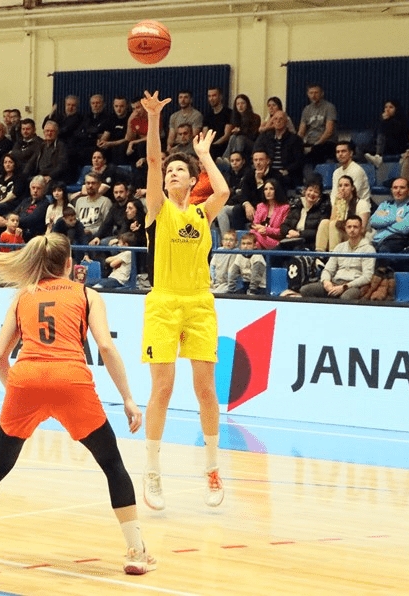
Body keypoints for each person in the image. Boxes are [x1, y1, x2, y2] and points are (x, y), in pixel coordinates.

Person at [0, 232, 153, 575]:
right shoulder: (87, 294)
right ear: (69, 264)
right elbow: (106, 347)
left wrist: (18, 392)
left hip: (26, 378)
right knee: (112, 465)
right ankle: (136, 552)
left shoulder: (23, 296)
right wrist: (128, 398)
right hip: (70, 380)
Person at [140, 91, 230, 511]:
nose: (172, 173)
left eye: (181, 170)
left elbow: (223, 191)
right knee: (162, 388)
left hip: (199, 303)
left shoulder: (201, 213)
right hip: (163, 302)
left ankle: (212, 467)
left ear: (193, 181)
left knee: (206, 390)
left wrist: (204, 155)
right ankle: (152, 470)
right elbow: (152, 161)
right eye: (170, 170)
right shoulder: (158, 209)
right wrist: (153, 118)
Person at [298, 215, 374, 300]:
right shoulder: (339, 247)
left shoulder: (368, 249)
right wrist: (326, 282)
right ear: (345, 228)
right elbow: (328, 270)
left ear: (361, 229)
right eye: (349, 227)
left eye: (355, 227)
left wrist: (345, 286)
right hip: (335, 282)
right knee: (305, 290)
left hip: (353, 286)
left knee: (346, 297)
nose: (352, 229)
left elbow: (367, 277)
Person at [369, 177, 409, 258]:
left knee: (384, 250)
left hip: (398, 240)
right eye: (395, 188)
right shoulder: (385, 204)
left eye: (402, 188)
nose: (398, 191)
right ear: (391, 190)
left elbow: (405, 228)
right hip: (377, 240)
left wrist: (384, 222)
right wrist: (396, 218)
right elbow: (373, 221)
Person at [277, 178, 330, 252]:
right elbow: (284, 226)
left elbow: (318, 231)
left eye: (316, 192)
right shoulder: (296, 206)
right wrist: (289, 231)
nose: (312, 193)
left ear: (320, 196)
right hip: (291, 240)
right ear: (305, 191)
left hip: (308, 243)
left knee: (296, 252)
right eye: (310, 190)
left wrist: (299, 234)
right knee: (274, 252)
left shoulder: (323, 209)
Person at [316, 175, 364, 252]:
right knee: (324, 222)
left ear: (352, 188)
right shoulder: (338, 201)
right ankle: (319, 254)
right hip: (338, 234)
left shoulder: (361, 203)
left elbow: (362, 229)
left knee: (334, 224)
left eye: (346, 185)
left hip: (353, 235)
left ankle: (334, 254)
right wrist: (337, 203)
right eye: (340, 186)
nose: (343, 188)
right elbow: (332, 220)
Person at [297, 83, 338, 167]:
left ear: (322, 94)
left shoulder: (329, 107)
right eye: (311, 93)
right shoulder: (306, 109)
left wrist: (316, 144)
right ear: (308, 94)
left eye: (316, 93)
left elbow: (329, 131)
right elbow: (301, 131)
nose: (313, 95)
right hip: (310, 142)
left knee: (316, 152)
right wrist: (296, 142)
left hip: (326, 142)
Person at [363, 99, 409, 167]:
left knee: (382, 135)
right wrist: (383, 121)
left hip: (397, 146)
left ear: (396, 109)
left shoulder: (402, 121)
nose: (387, 110)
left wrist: (385, 122)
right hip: (384, 146)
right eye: (386, 107)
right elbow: (375, 134)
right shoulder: (382, 121)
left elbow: (397, 134)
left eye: (391, 107)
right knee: (361, 148)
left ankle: (378, 156)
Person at [249, 178, 290, 250]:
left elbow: (282, 231)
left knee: (253, 235)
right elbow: (255, 225)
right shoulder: (260, 206)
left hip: (276, 241)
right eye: (265, 189)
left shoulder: (285, 208)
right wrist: (259, 230)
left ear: (277, 191)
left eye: (271, 189)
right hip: (259, 238)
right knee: (255, 241)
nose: (268, 192)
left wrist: (266, 230)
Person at [224, 94, 261, 159]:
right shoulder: (235, 118)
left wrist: (240, 131)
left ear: (247, 104)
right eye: (238, 104)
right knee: (233, 137)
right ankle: (226, 158)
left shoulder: (255, 117)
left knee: (240, 138)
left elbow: (253, 134)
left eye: (242, 103)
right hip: (238, 142)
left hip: (252, 143)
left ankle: (236, 158)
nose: (240, 106)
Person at [210, 230, 237, 294]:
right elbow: (212, 265)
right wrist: (213, 279)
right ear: (222, 242)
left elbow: (231, 271)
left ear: (236, 243)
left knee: (217, 293)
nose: (228, 242)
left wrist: (230, 284)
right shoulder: (219, 250)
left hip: (226, 283)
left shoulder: (236, 252)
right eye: (226, 239)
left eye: (231, 240)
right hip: (216, 282)